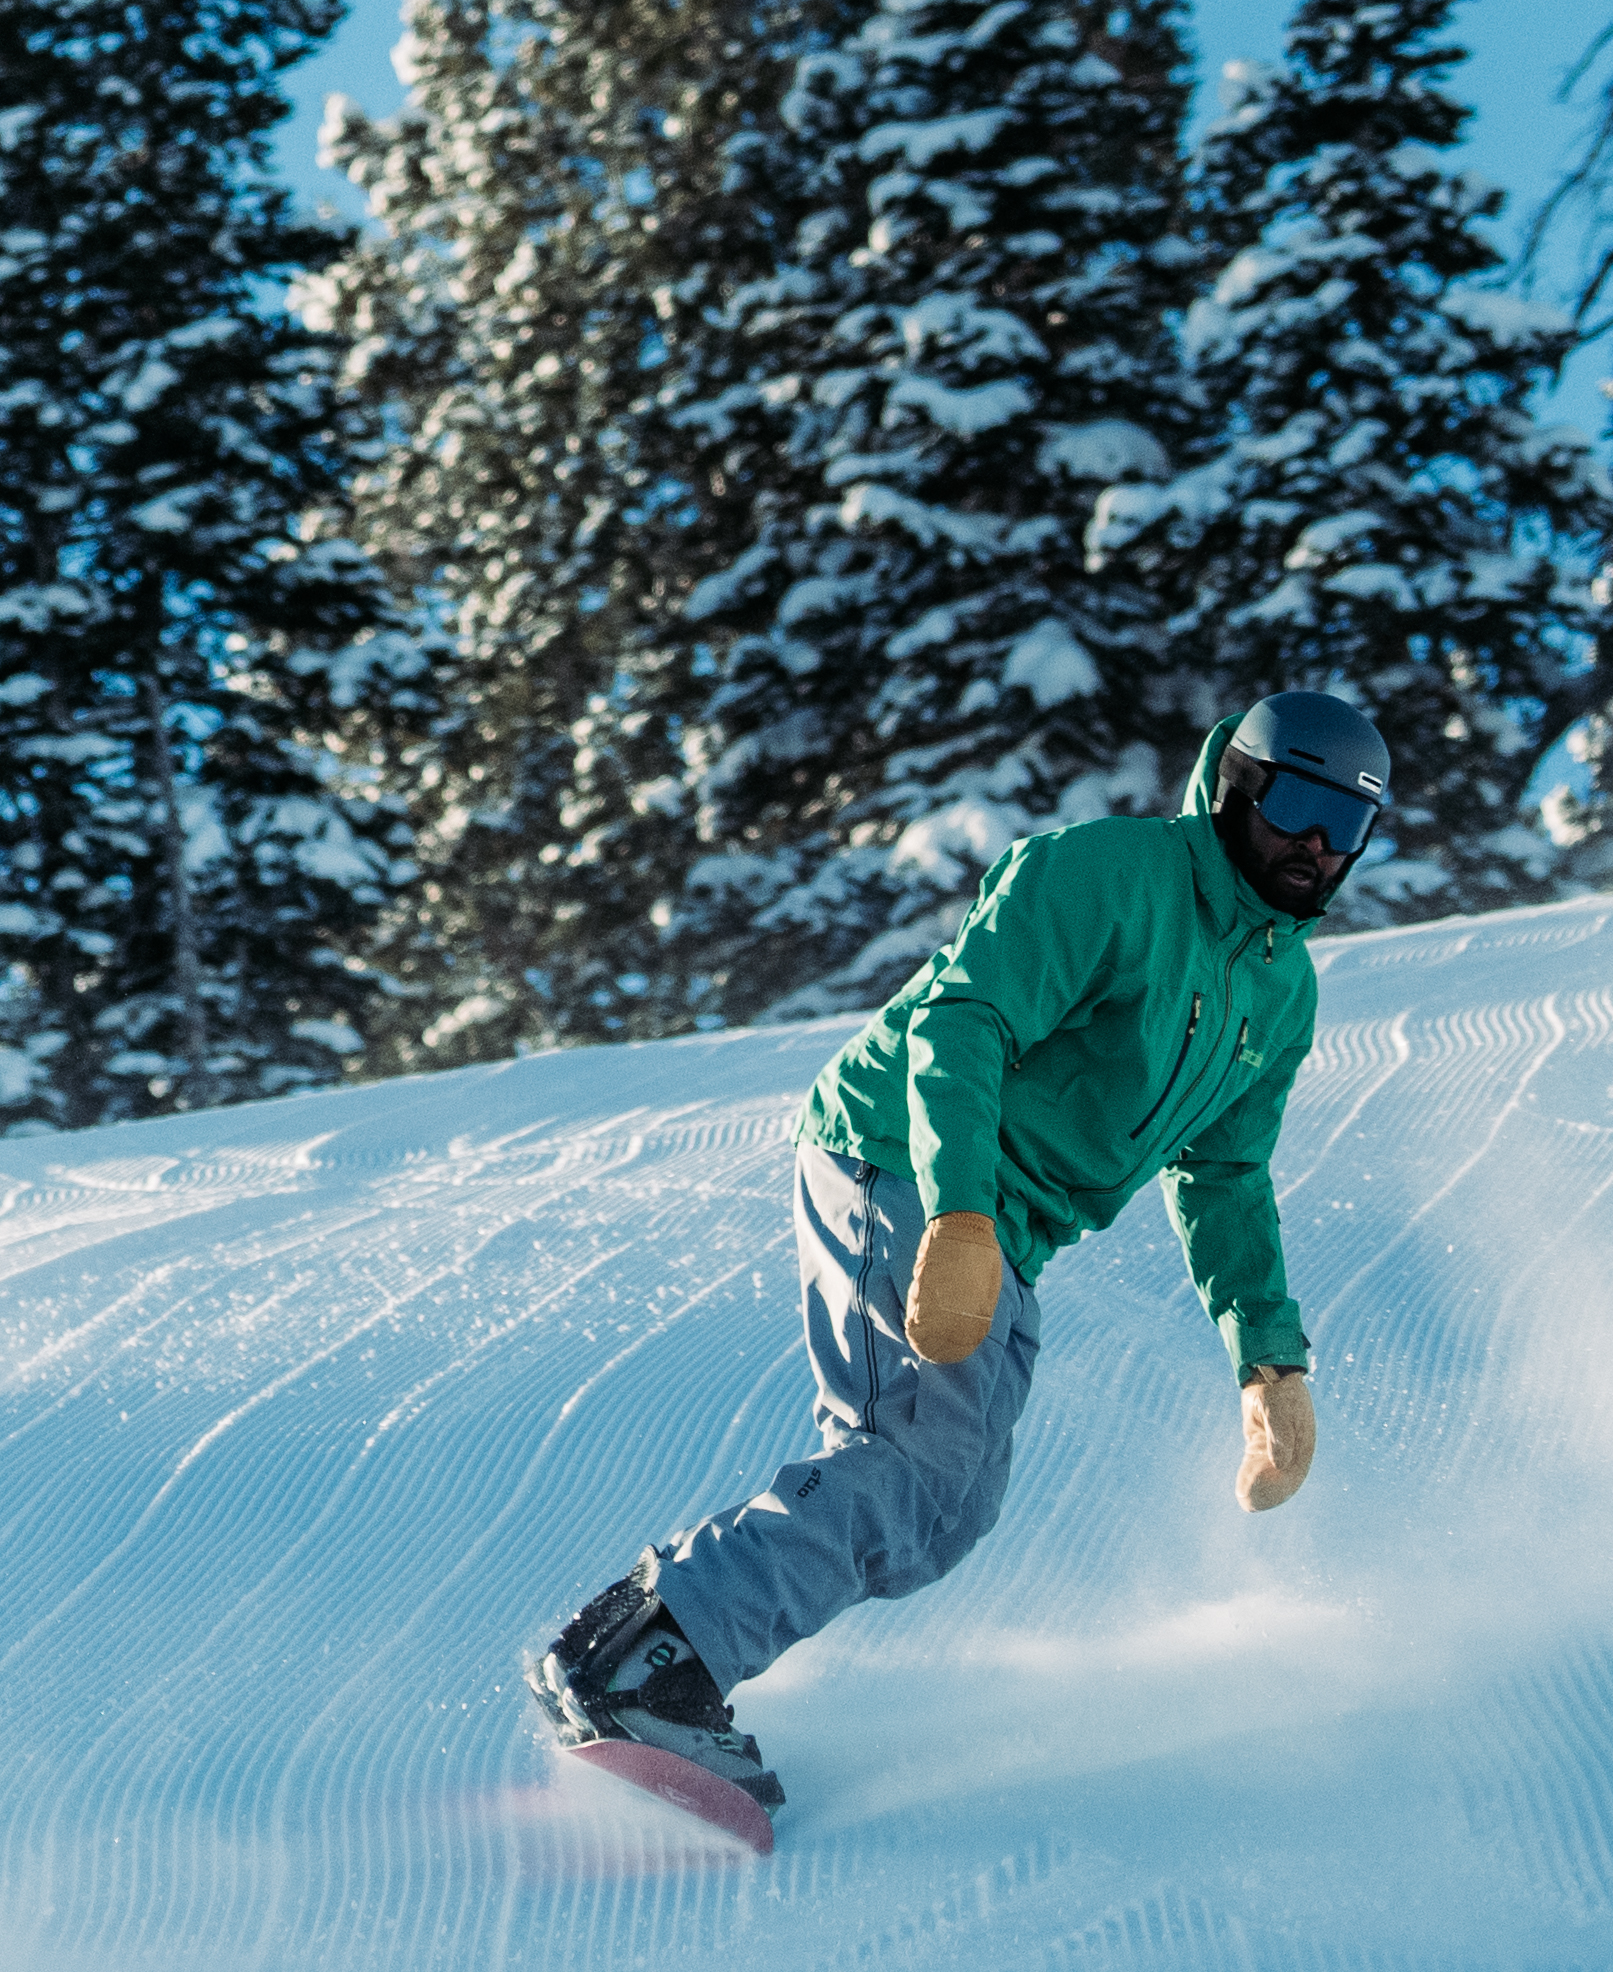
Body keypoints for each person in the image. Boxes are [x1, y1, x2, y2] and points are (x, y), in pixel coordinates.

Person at [517, 686, 1379, 1830]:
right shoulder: (1109, 875)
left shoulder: (1282, 990)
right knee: (912, 1455)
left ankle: (646, 1641)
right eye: (1304, 809)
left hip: (1006, 1231)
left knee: (948, 1511)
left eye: (1350, 827)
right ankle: (644, 1660)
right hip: (906, 1157)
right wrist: (957, 1217)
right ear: (1241, 788)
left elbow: (1223, 1175)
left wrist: (1269, 1360)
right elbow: (960, 1020)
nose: (1319, 848)